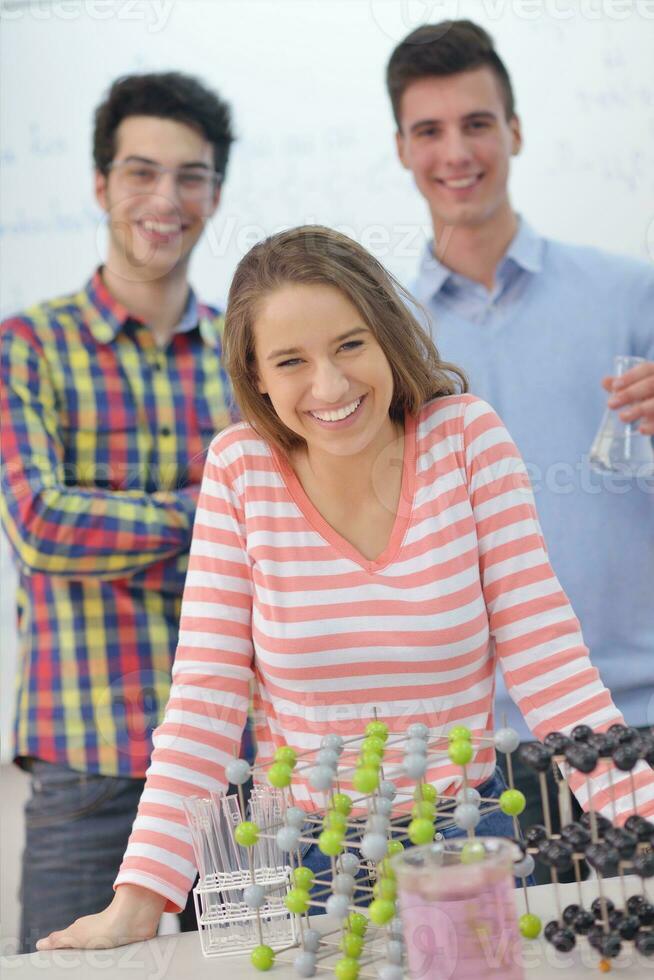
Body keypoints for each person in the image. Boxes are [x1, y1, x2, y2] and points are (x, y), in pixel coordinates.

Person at [34, 226, 654, 951]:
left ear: (387, 337)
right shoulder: (242, 471)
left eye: (350, 345)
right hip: (308, 863)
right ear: (256, 375)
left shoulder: (465, 440)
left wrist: (644, 816)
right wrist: (140, 899)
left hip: (463, 843)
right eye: (291, 360)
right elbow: (204, 702)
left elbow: (555, 672)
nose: (329, 386)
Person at [386, 21, 654, 880]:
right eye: (429, 130)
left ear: (516, 131)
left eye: (477, 123)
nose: (456, 152)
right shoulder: (377, 337)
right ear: (400, 148)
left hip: (636, 714)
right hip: (474, 756)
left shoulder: (629, 291)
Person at [0, 72, 239, 952]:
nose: (165, 199)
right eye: (141, 172)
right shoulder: (24, 347)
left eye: (190, 176)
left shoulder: (251, 353)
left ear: (215, 193)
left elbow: (288, 528)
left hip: (235, 771)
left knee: (260, 972)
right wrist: (212, 514)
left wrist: (140, 522)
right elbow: (42, 524)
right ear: (102, 185)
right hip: (85, 766)